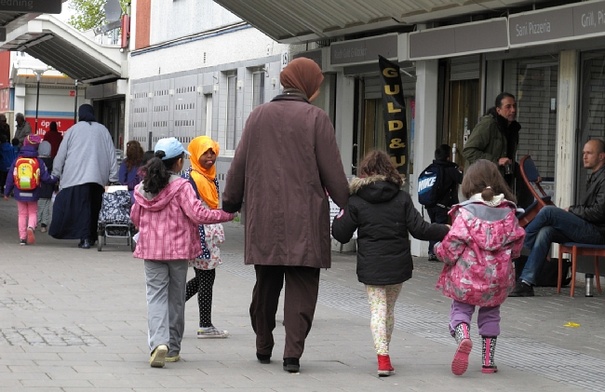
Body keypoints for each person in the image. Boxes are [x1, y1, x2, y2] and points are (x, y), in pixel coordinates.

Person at [222, 57, 350, 373]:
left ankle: (263, 344)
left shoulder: (257, 116)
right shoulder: (317, 119)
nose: (318, 91)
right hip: (305, 219)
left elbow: (238, 165)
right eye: (317, 85)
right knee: (303, 288)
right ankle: (292, 355)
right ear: (307, 84)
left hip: (263, 218)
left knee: (265, 285)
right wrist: (349, 202)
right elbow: (332, 171)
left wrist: (230, 201)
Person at [332, 150, 449, 377]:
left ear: (365, 172)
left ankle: (383, 358)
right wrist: (445, 229)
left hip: (371, 265)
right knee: (389, 310)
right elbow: (420, 229)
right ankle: (385, 354)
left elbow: (341, 235)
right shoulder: (402, 197)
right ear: (390, 171)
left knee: (377, 310)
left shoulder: (356, 200)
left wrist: (342, 211)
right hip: (398, 265)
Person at [130, 137, 235, 368]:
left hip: (151, 252)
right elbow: (199, 215)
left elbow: (135, 217)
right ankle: (173, 349)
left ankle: (158, 343)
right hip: (177, 253)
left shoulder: (143, 188)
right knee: (175, 299)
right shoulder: (182, 187)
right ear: (179, 162)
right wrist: (227, 214)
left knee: (156, 297)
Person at [434, 159, 525, 376]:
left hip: (467, 279)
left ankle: (464, 336)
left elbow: (452, 246)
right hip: (497, 280)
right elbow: (517, 246)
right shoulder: (509, 212)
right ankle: (488, 361)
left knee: (461, 311)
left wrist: (439, 249)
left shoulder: (465, 213)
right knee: (491, 314)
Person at [510, 138, 605, 297]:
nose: (584, 156)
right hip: (589, 227)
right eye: (583, 153)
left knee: (549, 212)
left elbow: (599, 212)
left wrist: (571, 210)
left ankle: (517, 244)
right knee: (546, 231)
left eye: (589, 153)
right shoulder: (596, 176)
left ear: (602, 156)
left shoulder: (604, 178)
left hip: (598, 233)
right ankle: (526, 282)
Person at [49, 104, 119, 249]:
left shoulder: (72, 130)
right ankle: (92, 236)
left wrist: (55, 173)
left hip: (76, 177)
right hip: (98, 178)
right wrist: (113, 177)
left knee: (81, 209)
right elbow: (111, 154)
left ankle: (85, 238)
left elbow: (61, 154)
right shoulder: (103, 130)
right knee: (94, 209)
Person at [183, 136, 229, 338]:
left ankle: (170, 305)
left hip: (207, 233)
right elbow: (196, 209)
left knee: (203, 278)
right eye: (205, 153)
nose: (210, 157)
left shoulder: (208, 175)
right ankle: (205, 324)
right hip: (202, 233)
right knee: (206, 279)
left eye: (212, 152)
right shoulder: (194, 177)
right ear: (195, 154)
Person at [462, 93, 531, 208]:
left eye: (514, 106)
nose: (513, 110)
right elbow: (468, 150)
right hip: (481, 183)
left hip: (500, 180)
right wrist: (496, 160)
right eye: (508, 107)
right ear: (498, 110)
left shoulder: (512, 128)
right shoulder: (488, 124)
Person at [3, 135, 57, 245]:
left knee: (22, 214)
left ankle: (22, 238)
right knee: (33, 212)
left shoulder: (17, 160)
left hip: (19, 191)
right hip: (33, 192)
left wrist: (6, 193)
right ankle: (31, 227)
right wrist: (55, 179)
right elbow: (45, 177)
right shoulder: (38, 161)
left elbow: (10, 178)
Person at [426, 144, 463, 261]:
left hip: (430, 204)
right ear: (448, 157)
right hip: (442, 205)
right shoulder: (450, 169)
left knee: (433, 226)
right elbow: (463, 180)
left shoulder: (430, 168)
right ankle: (436, 252)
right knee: (441, 228)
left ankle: (431, 251)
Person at [36, 141, 54, 233]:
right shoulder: (52, 161)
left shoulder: (37, 161)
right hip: (49, 187)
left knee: (38, 206)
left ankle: (35, 223)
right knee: (47, 207)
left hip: (38, 187)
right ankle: (44, 225)